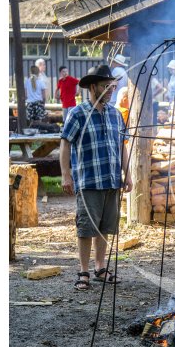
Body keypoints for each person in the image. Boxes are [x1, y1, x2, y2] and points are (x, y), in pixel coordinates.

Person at [60, 64, 133, 291]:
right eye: (105, 86)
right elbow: (65, 143)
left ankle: (100, 268)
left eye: (112, 86)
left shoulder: (115, 114)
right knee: (85, 228)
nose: (110, 90)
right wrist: (66, 175)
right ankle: (83, 271)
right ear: (93, 87)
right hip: (89, 180)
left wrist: (127, 174)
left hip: (111, 180)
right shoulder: (78, 113)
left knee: (105, 226)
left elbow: (122, 146)